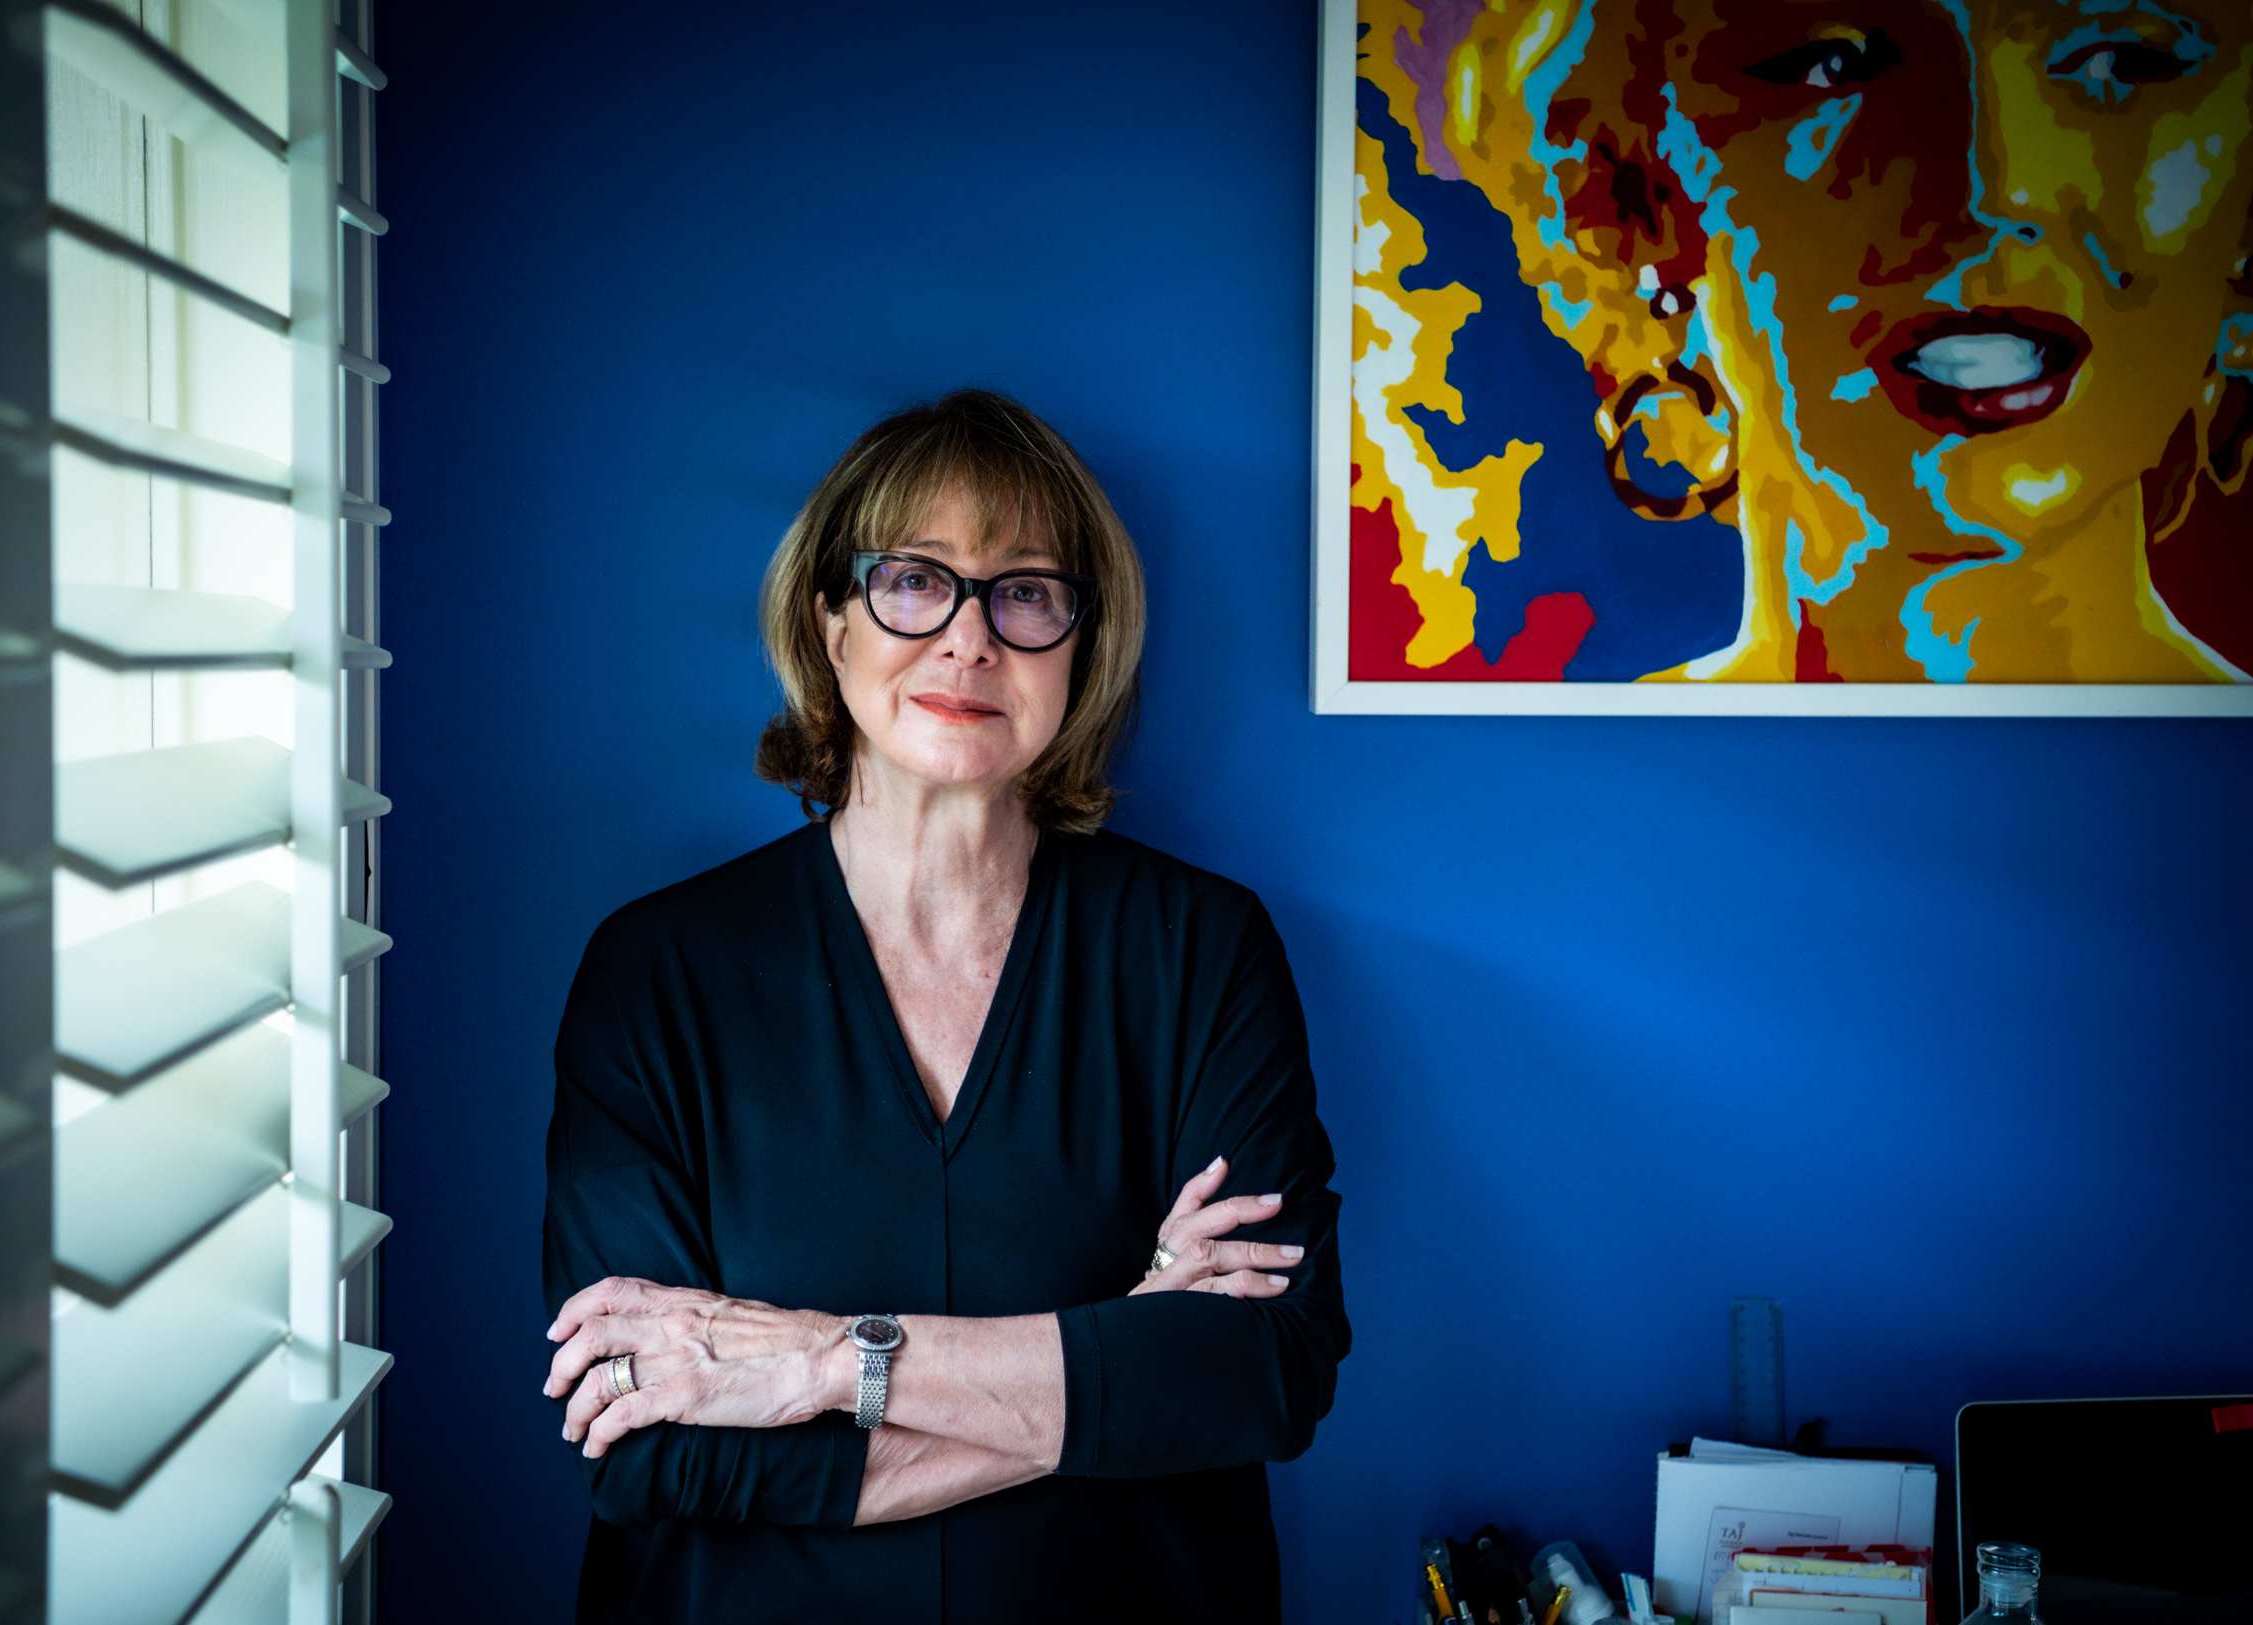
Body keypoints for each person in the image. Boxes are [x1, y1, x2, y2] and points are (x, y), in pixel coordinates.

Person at [538, 388, 1353, 1621]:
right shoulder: (655, 971)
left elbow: (1263, 1371)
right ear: (829, 621)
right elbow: (647, 1442)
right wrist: (1121, 1354)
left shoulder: (1200, 947)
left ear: (1082, 648)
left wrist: (820, 1362)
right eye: (915, 581)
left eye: (1025, 592)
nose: (970, 640)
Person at [1361, 0, 2253, 681]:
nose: (1994, 189)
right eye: (1833, 67)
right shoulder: (1580, 783)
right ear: (1646, 202)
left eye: (2120, 62)